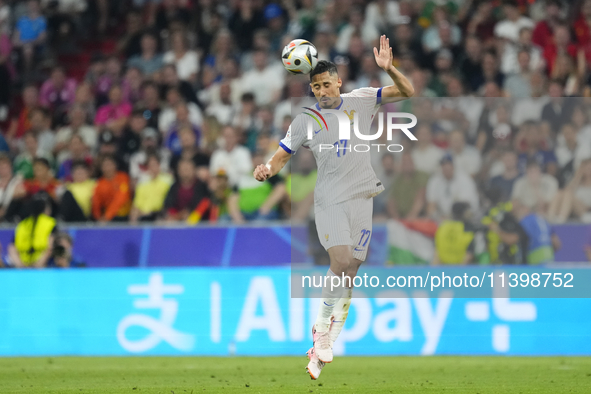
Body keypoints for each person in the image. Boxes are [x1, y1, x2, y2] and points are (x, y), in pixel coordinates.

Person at [253, 36, 414, 379]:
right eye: (316, 87)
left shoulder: (363, 99)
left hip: (362, 197)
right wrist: (268, 169)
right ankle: (321, 331)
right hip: (329, 200)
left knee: (351, 272)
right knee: (340, 262)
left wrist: (389, 69)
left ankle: (322, 349)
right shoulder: (306, 120)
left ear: (339, 82)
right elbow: (282, 155)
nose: (322, 91)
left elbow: (408, 91)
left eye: (327, 84)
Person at [8, 195, 56, 268]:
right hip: (42, 266)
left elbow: (12, 248)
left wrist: (20, 265)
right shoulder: (50, 223)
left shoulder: (22, 224)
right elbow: (50, 247)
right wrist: (38, 265)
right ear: (46, 209)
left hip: (22, 266)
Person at [163, 158, 214, 223]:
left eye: (187, 169)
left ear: (194, 170)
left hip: (198, 223)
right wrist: (176, 216)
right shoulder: (174, 187)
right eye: (183, 169)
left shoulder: (202, 187)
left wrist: (187, 215)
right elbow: (168, 205)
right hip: (176, 222)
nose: (185, 172)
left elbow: (203, 204)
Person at [129, 153, 173, 222]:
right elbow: (137, 204)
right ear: (148, 167)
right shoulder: (142, 183)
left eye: (155, 164)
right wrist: (135, 214)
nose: (153, 167)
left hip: (159, 215)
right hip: (143, 215)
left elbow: (170, 202)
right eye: (151, 165)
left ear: (159, 165)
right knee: (134, 214)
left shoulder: (168, 180)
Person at [92, 155, 131, 222]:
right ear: (101, 168)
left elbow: (121, 198)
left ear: (115, 165)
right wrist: (98, 218)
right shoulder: (99, 184)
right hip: (107, 218)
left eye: (110, 165)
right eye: (105, 165)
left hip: (125, 215)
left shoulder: (123, 177)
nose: (108, 168)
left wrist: (107, 216)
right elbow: (96, 203)